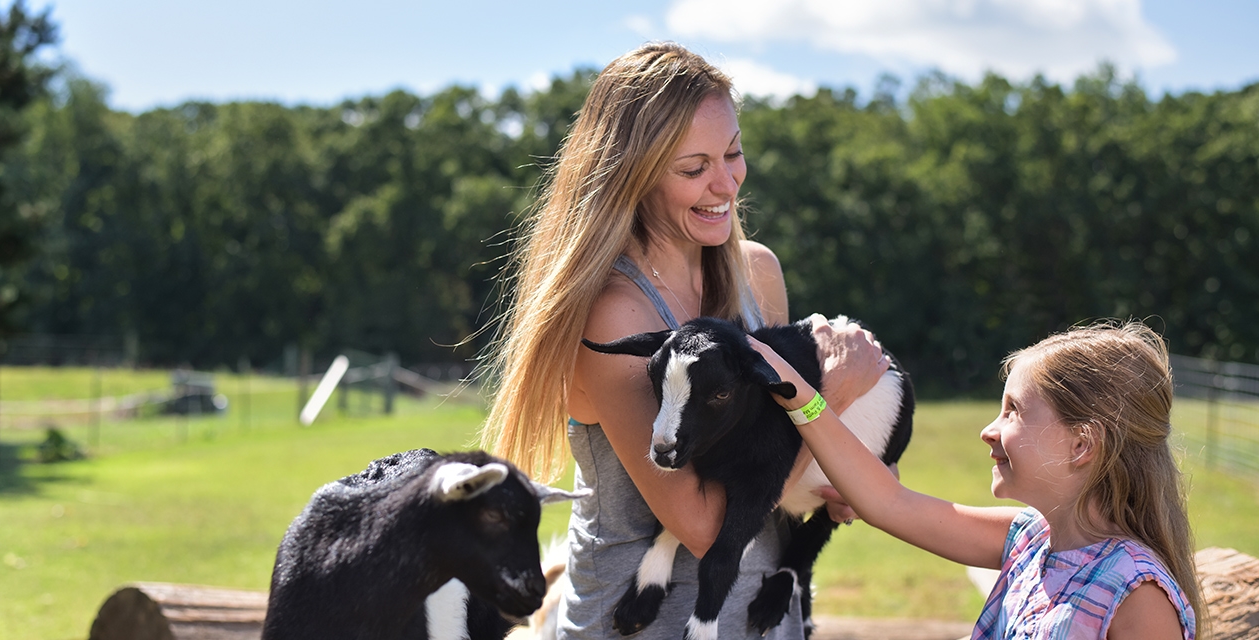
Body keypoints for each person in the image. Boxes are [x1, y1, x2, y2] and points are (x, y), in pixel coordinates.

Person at [478, 42, 883, 639]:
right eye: (694, 169)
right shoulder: (615, 314)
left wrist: (836, 483)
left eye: (734, 153)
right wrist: (831, 395)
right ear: (632, 176)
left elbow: (768, 457)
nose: (726, 182)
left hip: (761, 618)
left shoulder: (758, 274)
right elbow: (701, 525)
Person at [749, 320, 1205, 640]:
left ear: (1082, 445)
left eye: (1013, 411)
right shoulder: (1027, 540)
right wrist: (801, 395)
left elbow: (888, 502)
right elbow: (889, 503)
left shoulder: (1137, 593)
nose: (988, 430)